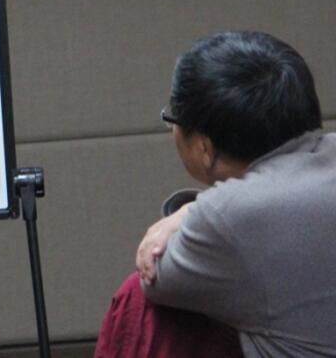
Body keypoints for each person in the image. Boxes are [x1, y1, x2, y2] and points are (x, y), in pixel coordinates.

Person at [95, 31, 336, 358]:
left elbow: (155, 277)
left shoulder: (229, 215)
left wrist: (188, 212)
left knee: (137, 302)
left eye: (172, 121)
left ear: (203, 148)